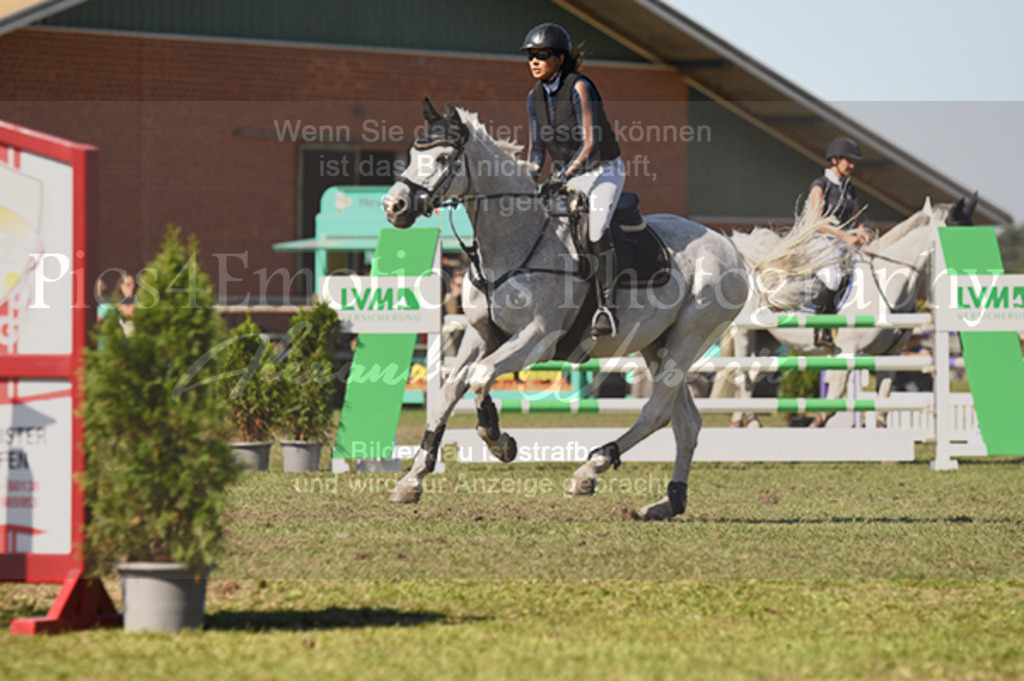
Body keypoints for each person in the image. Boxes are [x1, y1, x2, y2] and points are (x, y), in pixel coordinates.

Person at [521, 22, 626, 337]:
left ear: (561, 58)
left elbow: (591, 143)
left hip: (603, 169)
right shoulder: (534, 96)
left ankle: (608, 306)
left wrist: (561, 176)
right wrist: (527, 181)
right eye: (530, 56)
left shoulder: (580, 87)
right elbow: (537, 149)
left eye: (542, 54)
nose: (534, 61)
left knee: (594, 227)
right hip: (567, 176)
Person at [805, 136, 871, 348]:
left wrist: (862, 233)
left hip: (844, 243)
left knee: (863, 274)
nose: (852, 166)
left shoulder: (850, 189)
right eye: (848, 161)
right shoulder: (820, 184)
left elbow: (857, 219)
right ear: (834, 160)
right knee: (833, 280)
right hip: (822, 241)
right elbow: (816, 221)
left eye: (853, 162)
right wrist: (845, 236)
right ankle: (819, 330)